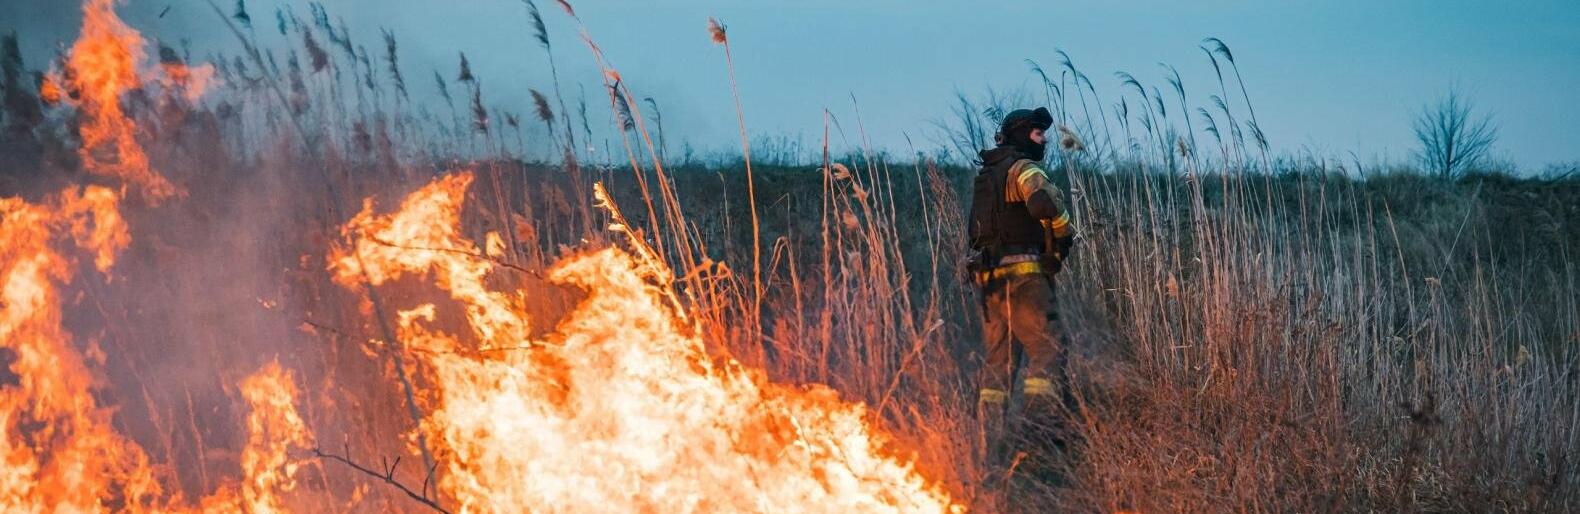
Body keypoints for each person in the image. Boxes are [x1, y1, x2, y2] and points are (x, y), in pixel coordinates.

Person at [966, 107, 1076, 460]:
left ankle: (988, 445)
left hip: (989, 281)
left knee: (1000, 363)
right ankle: (1037, 434)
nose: (1044, 139)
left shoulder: (988, 176)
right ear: (1020, 134)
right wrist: (1062, 237)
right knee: (1049, 348)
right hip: (1024, 278)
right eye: (1037, 133)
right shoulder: (1024, 168)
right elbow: (1044, 202)